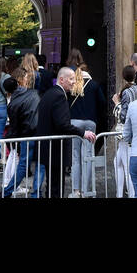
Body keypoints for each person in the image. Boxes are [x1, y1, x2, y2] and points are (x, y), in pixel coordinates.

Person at [35, 66, 97, 198]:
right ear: (61, 79)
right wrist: (83, 133)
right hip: (55, 149)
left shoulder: (50, 93)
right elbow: (63, 124)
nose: (74, 82)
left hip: (48, 148)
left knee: (52, 184)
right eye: (71, 79)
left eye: (74, 79)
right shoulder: (59, 96)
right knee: (56, 185)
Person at [65, 50, 102, 198]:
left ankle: (76, 190)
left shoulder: (72, 86)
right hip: (90, 122)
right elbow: (103, 102)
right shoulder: (93, 84)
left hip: (74, 123)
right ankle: (87, 190)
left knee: (75, 158)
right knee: (87, 156)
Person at [0, 68, 40, 198]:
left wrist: (14, 140)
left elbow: (15, 125)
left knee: (21, 164)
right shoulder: (33, 94)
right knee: (38, 165)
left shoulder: (13, 103)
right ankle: (34, 192)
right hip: (36, 133)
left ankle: (8, 190)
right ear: (19, 83)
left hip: (25, 136)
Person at [112, 65, 137, 197]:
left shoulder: (127, 92)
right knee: (118, 162)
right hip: (131, 133)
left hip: (126, 134)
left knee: (126, 166)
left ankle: (130, 195)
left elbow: (124, 116)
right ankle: (119, 194)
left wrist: (116, 103)